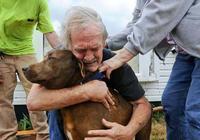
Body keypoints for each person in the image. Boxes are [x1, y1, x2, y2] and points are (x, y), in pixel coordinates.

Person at [27, 6, 152, 140]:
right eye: (81, 50)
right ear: (68, 46)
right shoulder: (61, 58)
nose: (88, 57)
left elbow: (143, 105)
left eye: (95, 48)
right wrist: (87, 91)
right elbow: (34, 101)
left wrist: (128, 131)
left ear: (104, 43)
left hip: (102, 127)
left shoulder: (115, 64)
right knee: (54, 99)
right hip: (65, 127)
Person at [99, 0, 200, 140]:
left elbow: (161, 13)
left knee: (196, 111)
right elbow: (138, 24)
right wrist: (105, 44)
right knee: (173, 104)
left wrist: (122, 56)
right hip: (187, 53)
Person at [0, 0, 60, 139]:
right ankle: (7, 137)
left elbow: (49, 31)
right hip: (1, 54)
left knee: (37, 94)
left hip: (26, 52)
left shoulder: (39, 2)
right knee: (3, 100)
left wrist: (67, 53)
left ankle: (44, 136)